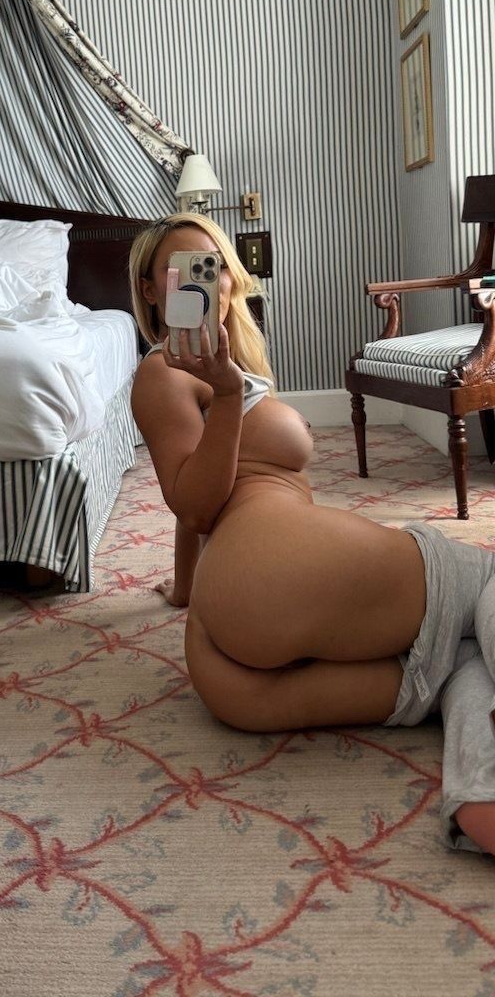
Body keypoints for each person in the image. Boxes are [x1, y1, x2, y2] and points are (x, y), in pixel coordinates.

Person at [128, 212, 495, 857]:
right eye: (182, 270)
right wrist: (228, 395)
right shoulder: (164, 372)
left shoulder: (218, 370)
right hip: (266, 563)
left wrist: (185, 590)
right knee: (488, 578)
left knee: (453, 661)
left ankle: (481, 801)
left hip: (231, 656)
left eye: (212, 267)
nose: (204, 283)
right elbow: (195, 505)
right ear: (153, 290)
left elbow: (191, 501)